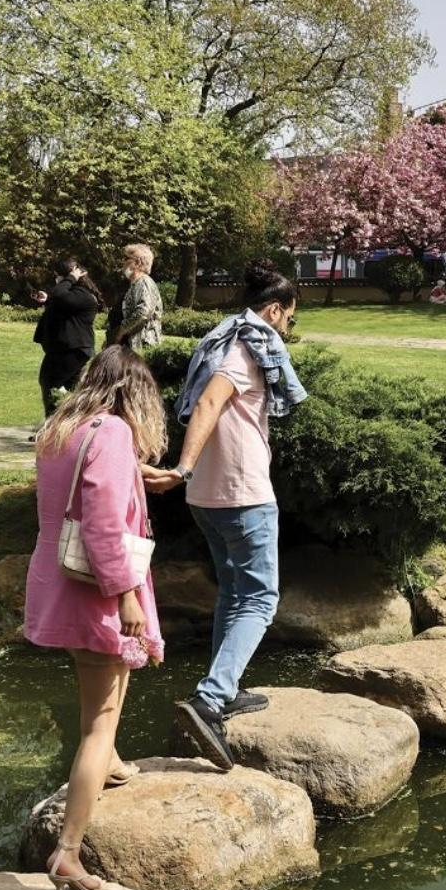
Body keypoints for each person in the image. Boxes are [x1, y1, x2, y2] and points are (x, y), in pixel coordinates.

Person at [146, 260, 307, 769]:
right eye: (289, 320)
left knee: (235, 594)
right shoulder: (246, 347)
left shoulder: (221, 339)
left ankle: (227, 685)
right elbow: (212, 400)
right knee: (261, 599)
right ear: (275, 310)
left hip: (210, 502)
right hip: (242, 494)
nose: (286, 330)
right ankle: (211, 699)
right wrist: (183, 468)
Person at [22, 346, 167, 890]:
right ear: (135, 394)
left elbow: (75, 496)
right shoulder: (111, 434)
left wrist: (135, 474)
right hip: (97, 589)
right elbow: (103, 522)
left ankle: (111, 764)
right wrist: (127, 595)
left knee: (108, 691)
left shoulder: (65, 429)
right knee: (98, 718)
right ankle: (69, 851)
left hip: (60, 583)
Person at [35, 259, 101, 414]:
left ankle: (52, 426)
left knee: (51, 383)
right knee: (66, 387)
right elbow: (60, 301)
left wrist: (70, 278)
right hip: (67, 349)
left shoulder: (82, 294)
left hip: (72, 349)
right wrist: (48, 300)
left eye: (58, 277)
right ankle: (64, 425)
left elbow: (59, 295)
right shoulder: (74, 294)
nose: (56, 280)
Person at [114, 244, 164, 351]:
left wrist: (122, 330)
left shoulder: (144, 282)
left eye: (126, 258)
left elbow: (143, 312)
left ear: (138, 262)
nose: (122, 262)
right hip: (134, 345)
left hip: (143, 345)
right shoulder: (136, 283)